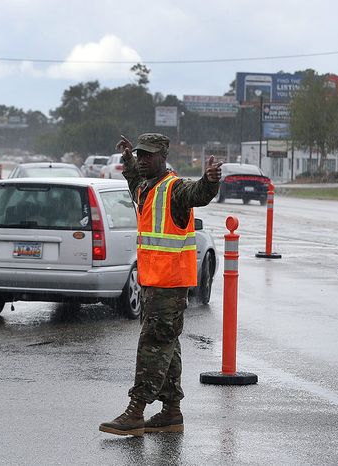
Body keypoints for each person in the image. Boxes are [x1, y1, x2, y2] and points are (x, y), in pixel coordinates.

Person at [99, 133, 222, 436]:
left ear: (163, 157)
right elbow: (133, 183)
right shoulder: (145, 187)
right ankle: (170, 413)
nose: (142, 161)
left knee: (153, 344)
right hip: (152, 285)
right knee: (168, 344)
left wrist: (209, 181)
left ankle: (136, 412)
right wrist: (127, 160)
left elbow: (199, 194)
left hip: (170, 286)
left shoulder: (174, 189)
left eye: (147, 156)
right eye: (139, 155)